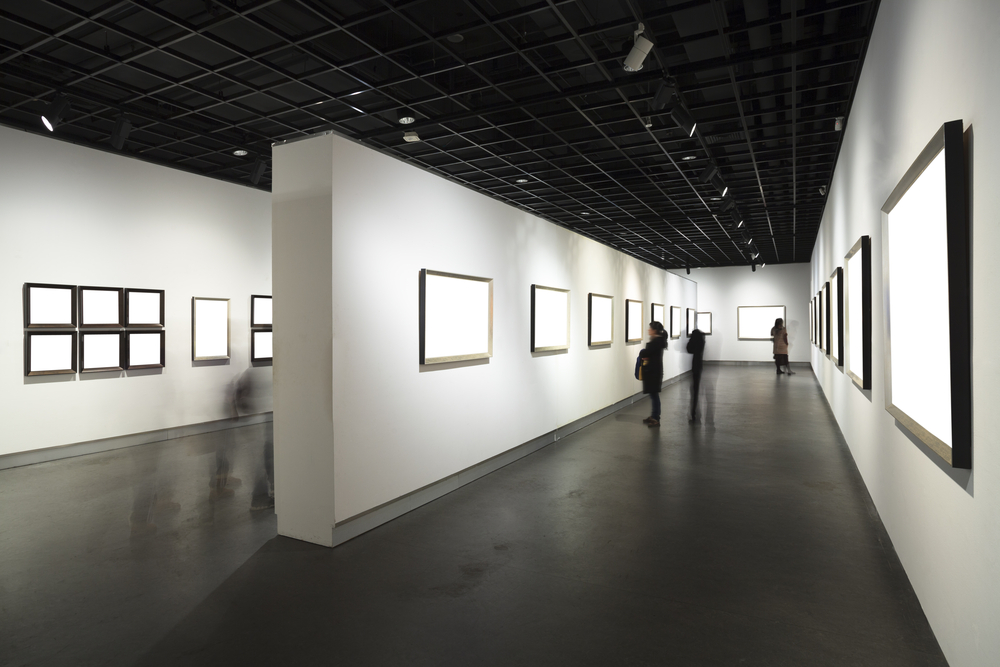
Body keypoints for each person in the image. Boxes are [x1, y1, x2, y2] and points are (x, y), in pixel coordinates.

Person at [640, 321, 667, 426]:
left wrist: (643, 352)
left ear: (654, 330)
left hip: (653, 373)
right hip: (654, 372)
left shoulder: (656, 342)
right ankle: (654, 415)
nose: (648, 330)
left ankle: (655, 418)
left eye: (650, 328)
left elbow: (646, 353)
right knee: (653, 395)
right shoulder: (658, 341)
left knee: (654, 395)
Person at [686, 328, 706, 421]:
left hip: (695, 366)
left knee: (695, 389)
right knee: (695, 387)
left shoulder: (695, 343)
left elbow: (689, 349)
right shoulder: (701, 341)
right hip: (699, 365)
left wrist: (690, 340)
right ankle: (694, 411)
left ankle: (693, 411)